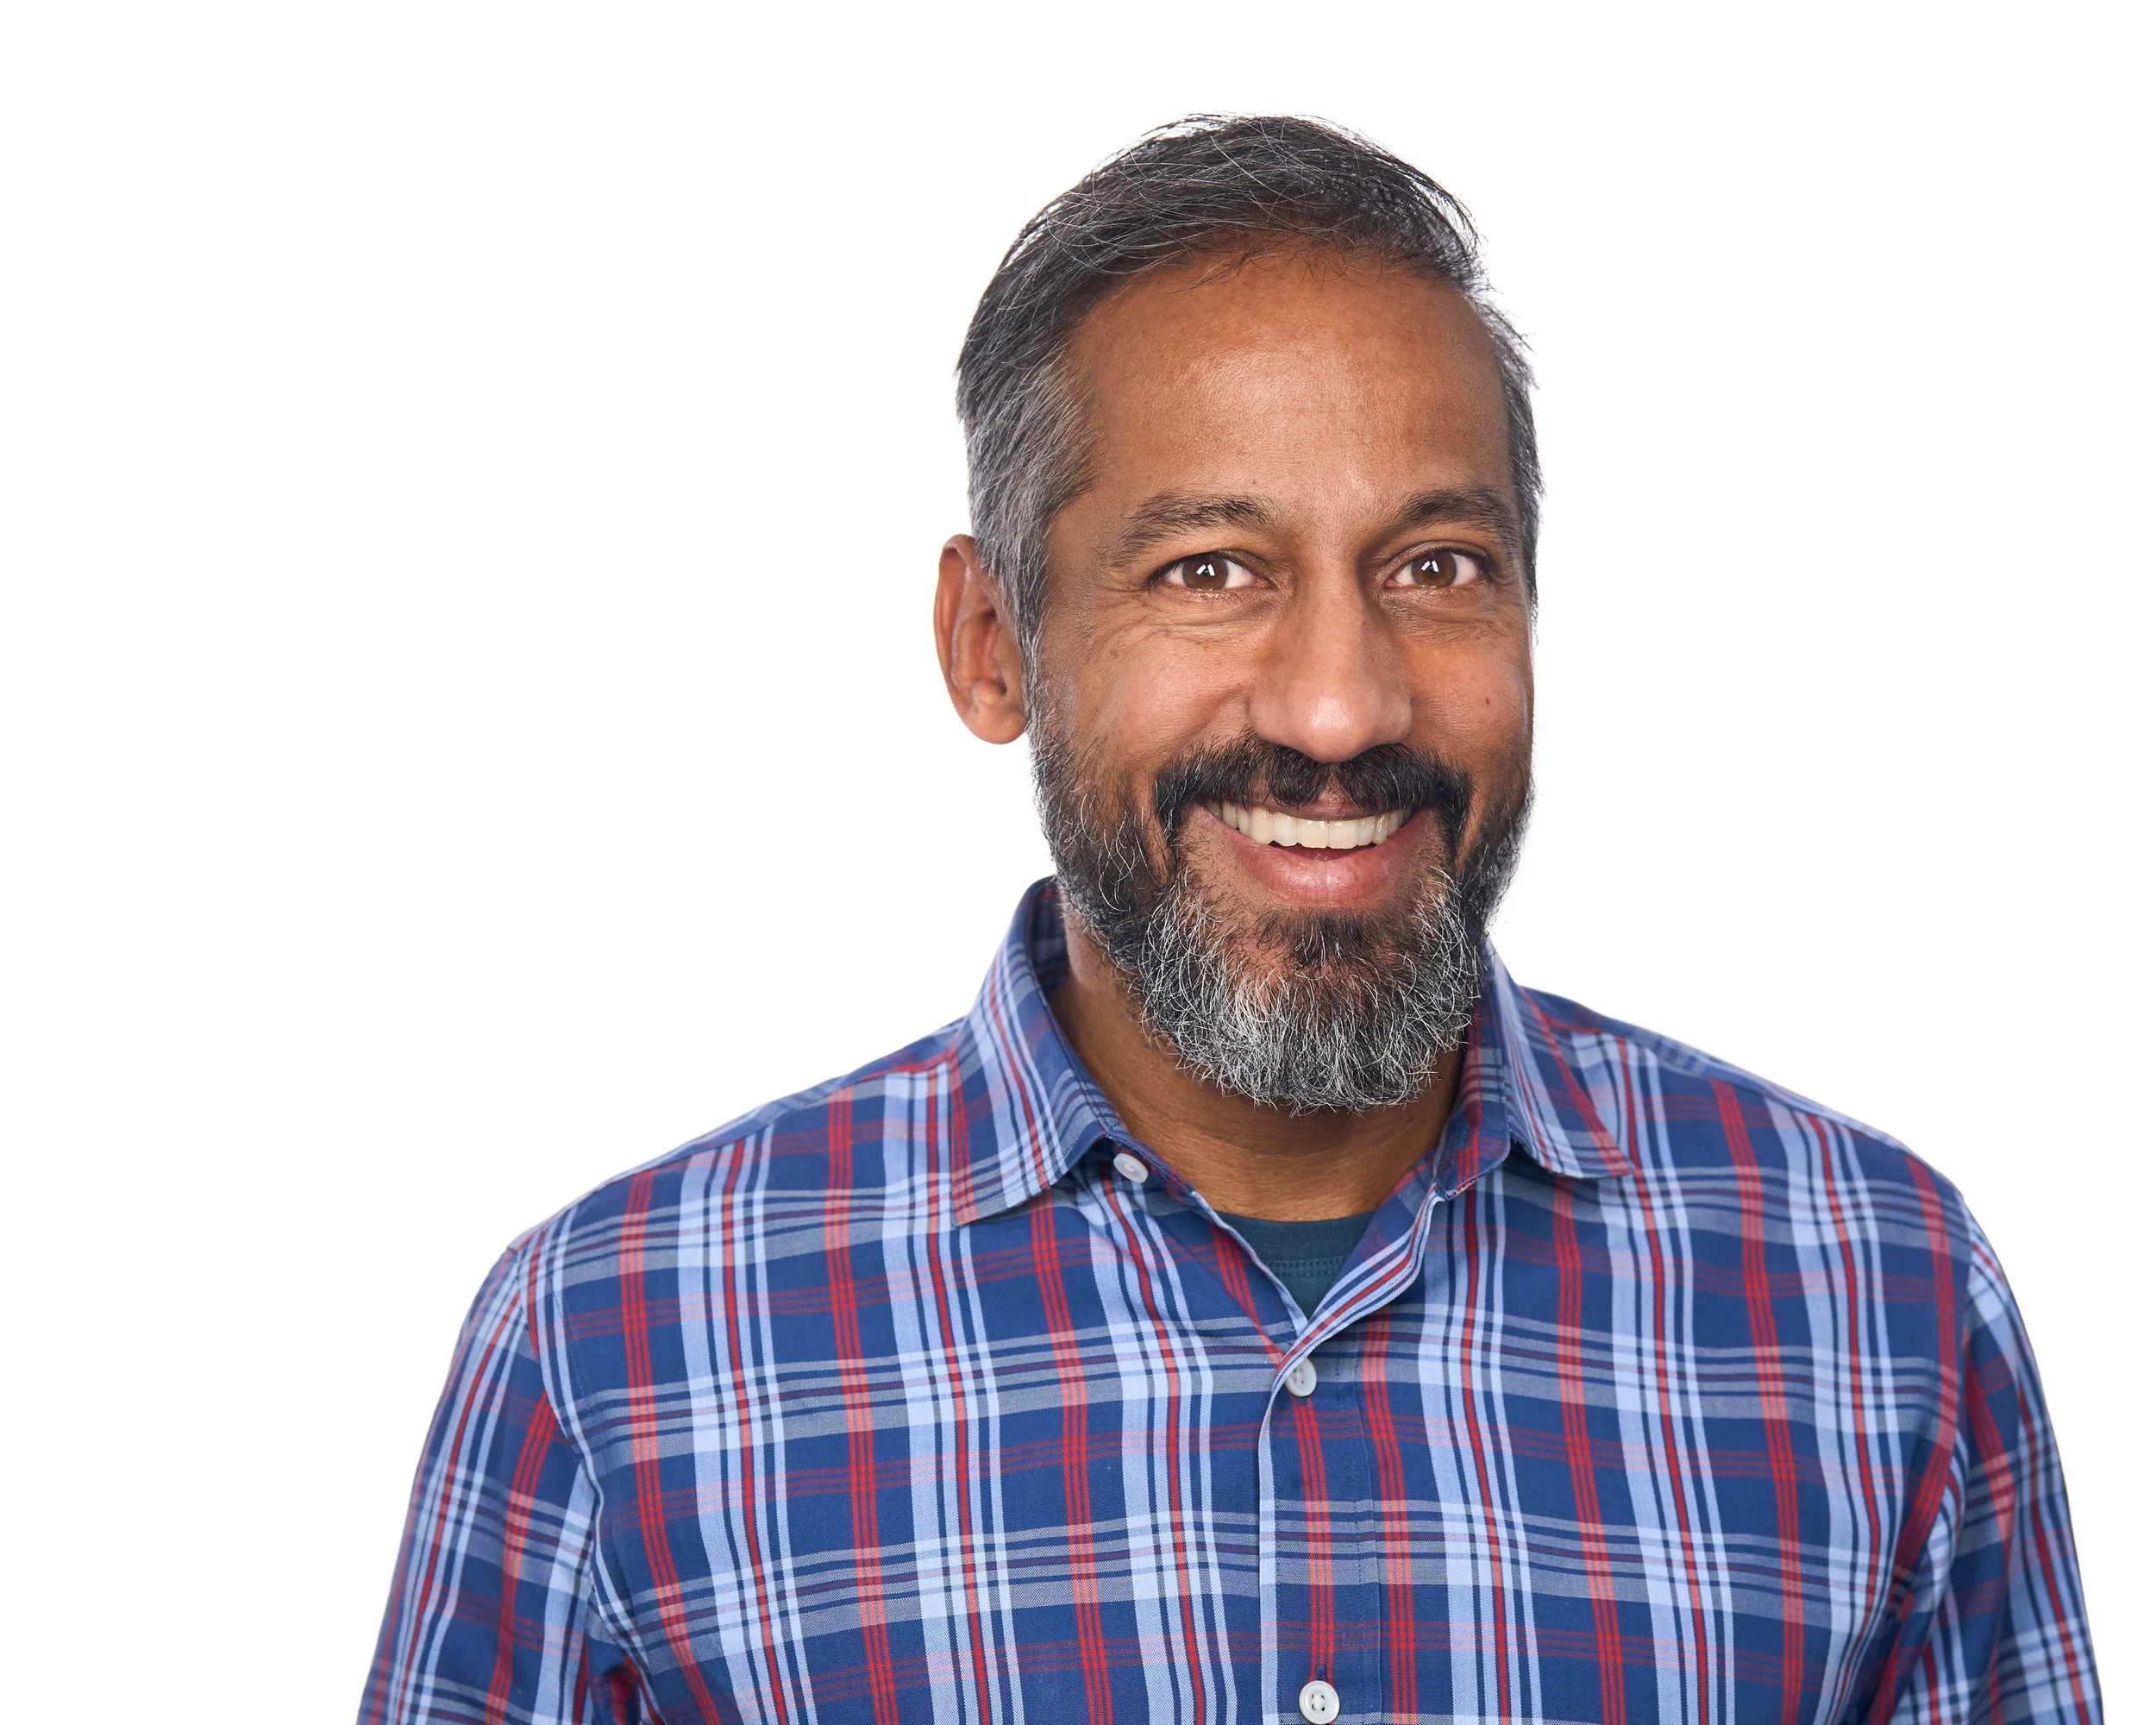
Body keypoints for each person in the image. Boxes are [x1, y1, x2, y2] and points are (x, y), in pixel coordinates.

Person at [360, 116, 2098, 1725]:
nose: (1339, 709)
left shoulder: (1875, 1297)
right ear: (990, 643)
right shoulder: (616, 1346)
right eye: (1208, 570)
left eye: (1434, 566)